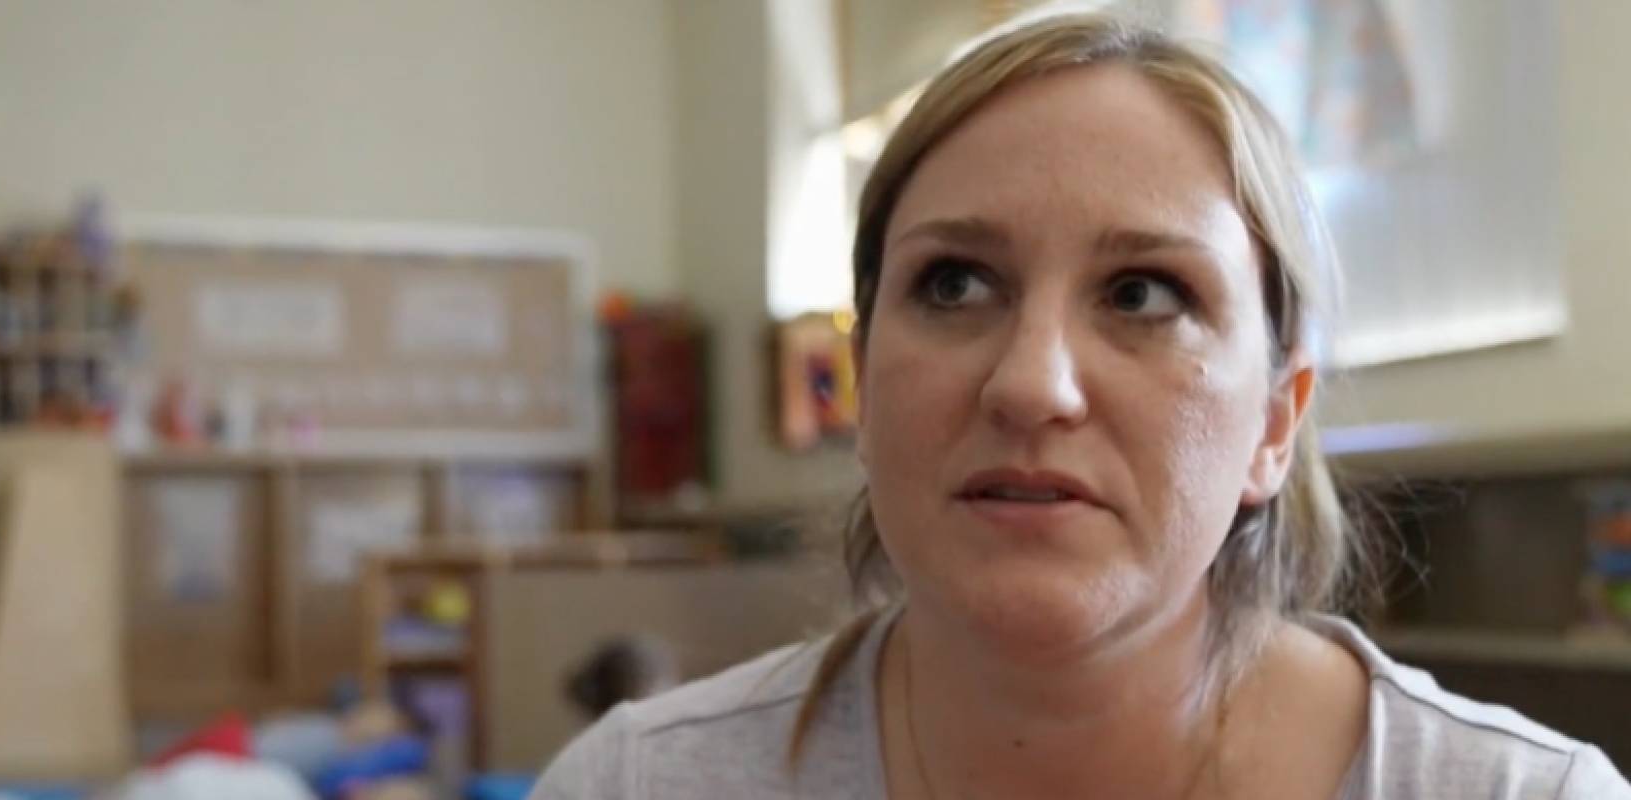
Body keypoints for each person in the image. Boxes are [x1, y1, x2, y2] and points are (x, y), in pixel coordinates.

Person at [530, 12, 1631, 799]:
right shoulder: (633, 782)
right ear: (862, 388)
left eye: (1144, 294)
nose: (1031, 382)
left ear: (1273, 423)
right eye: (955, 282)